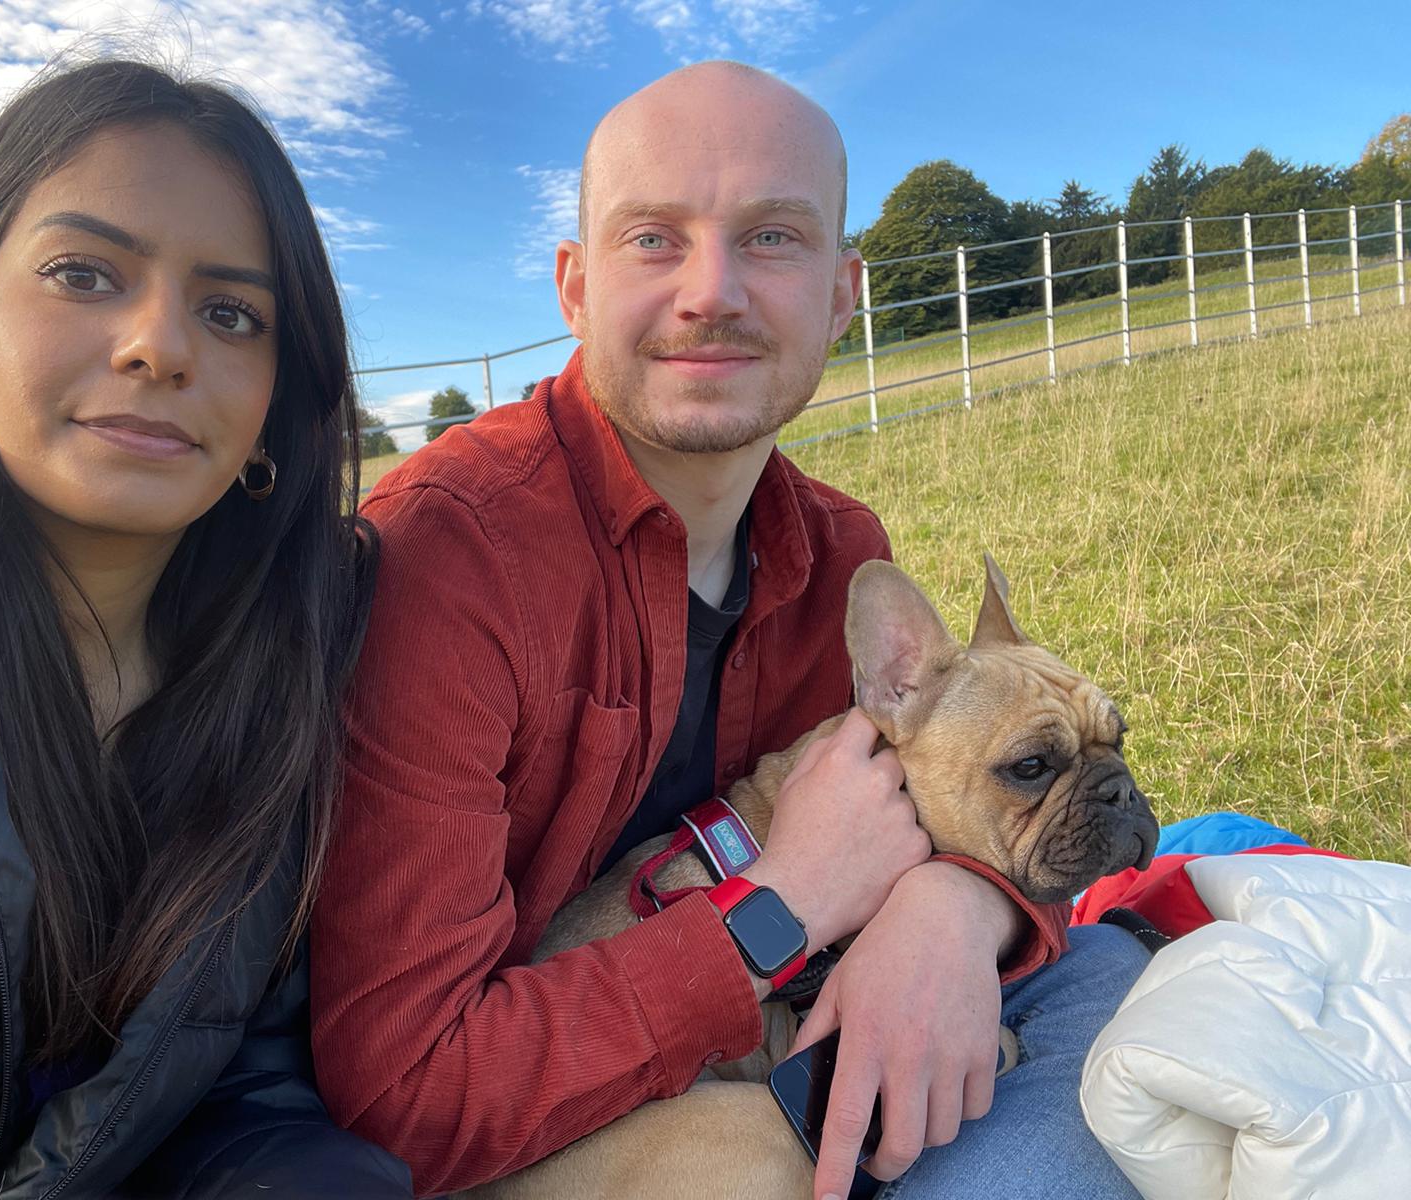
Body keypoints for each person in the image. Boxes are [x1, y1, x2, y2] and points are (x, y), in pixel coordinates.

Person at [310, 61, 1149, 1200]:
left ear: (844, 292)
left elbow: (940, 798)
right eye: (653, 238)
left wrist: (958, 910)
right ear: (573, 286)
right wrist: (780, 909)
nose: (711, 292)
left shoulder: (840, 552)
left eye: (771, 238)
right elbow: (407, 1099)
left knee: (1117, 977)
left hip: (783, 1035)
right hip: (542, 1122)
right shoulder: (441, 560)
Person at [0, 59, 410, 1199]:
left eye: (231, 312)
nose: (159, 346)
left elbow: (241, 1090)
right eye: (84, 274)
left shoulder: (296, 665)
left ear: (277, 395)